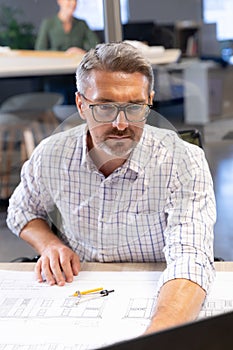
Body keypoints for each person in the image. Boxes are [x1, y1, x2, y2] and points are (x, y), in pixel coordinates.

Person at [7, 42, 216, 334]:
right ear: (81, 105)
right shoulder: (51, 154)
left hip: (156, 286)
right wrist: (49, 244)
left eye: (134, 107)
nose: (121, 124)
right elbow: (21, 210)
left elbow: (190, 260)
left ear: (149, 102)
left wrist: (157, 338)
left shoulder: (184, 162)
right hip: (78, 289)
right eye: (104, 107)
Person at [35, 0, 99, 53]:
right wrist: (64, 53)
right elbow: (40, 50)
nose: (73, 3)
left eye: (75, 1)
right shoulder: (48, 23)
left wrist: (82, 52)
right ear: (60, 1)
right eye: (69, 0)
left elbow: (96, 46)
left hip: (77, 64)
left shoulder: (82, 24)